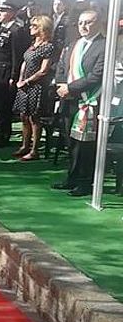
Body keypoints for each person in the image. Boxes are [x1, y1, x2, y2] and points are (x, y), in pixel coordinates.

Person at [52, 10, 105, 196]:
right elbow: (61, 67)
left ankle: (85, 182)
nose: (83, 26)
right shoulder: (74, 44)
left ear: (98, 23)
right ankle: (71, 178)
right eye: (81, 22)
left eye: (88, 22)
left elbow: (96, 76)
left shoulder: (104, 46)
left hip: (88, 101)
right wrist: (60, 85)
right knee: (70, 140)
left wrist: (70, 87)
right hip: (69, 99)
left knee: (86, 144)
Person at [0, 0, 30, 148]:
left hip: (5, 73)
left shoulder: (16, 30)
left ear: (11, 13)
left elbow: (17, 55)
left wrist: (13, 76)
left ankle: (3, 135)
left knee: (4, 107)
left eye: (2, 11)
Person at [12, 15, 55, 161]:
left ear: (43, 28)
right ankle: (25, 145)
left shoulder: (48, 46)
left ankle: (34, 149)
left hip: (37, 87)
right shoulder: (33, 44)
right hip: (24, 85)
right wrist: (20, 79)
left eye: (35, 26)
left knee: (34, 118)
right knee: (23, 116)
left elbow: (44, 70)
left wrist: (28, 81)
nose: (31, 28)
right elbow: (25, 62)